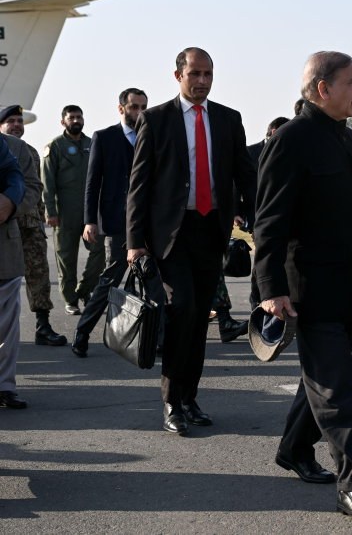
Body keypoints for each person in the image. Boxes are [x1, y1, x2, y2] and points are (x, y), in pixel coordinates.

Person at [255, 51, 352, 517]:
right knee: (335, 389)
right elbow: (268, 222)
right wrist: (270, 287)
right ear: (322, 88)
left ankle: (293, 449)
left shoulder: (348, 141)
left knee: (320, 381)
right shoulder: (291, 140)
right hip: (309, 289)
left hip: (351, 289)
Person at [126, 47, 257, 434]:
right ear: (178, 75)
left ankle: (189, 397)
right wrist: (135, 241)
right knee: (181, 308)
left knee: (201, 316)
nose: (201, 81)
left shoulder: (228, 119)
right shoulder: (156, 119)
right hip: (171, 234)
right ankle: (171, 400)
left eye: (208, 74)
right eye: (195, 74)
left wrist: (257, 218)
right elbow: (139, 185)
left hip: (211, 231)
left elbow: (245, 175)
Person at [72, 88, 148, 356]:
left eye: (143, 107)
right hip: (116, 221)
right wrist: (90, 221)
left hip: (149, 221)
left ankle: (156, 338)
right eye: (134, 107)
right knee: (111, 278)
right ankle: (82, 332)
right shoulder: (104, 138)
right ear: (121, 109)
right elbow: (93, 183)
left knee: (155, 280)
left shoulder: (153, 136)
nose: (139, 112)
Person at [0, 105, 65, 346]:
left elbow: (34, 187)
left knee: (39, 273)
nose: (17, 125)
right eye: (11, 121)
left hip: (32, 224)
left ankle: (43, 325)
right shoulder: (4, 148)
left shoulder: (31, 152)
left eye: (20, 121)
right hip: (8, 227)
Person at [42, 105, 105, 316]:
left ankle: (84, 289)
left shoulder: (92, 143)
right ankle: (71, 300)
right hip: (64, 211)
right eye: (71, 118)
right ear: (64, 122)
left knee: (99, 252)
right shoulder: (55, 146)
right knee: (66, 258)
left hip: (90, 212)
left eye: (79, 117)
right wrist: (50, 211)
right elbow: (47, 182)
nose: (76, 120)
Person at [0, 132, 38, 409]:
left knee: (6, 326)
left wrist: (11, 204)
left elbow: (33, 187)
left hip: (5, 245)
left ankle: (4, 386)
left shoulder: (15, 148)